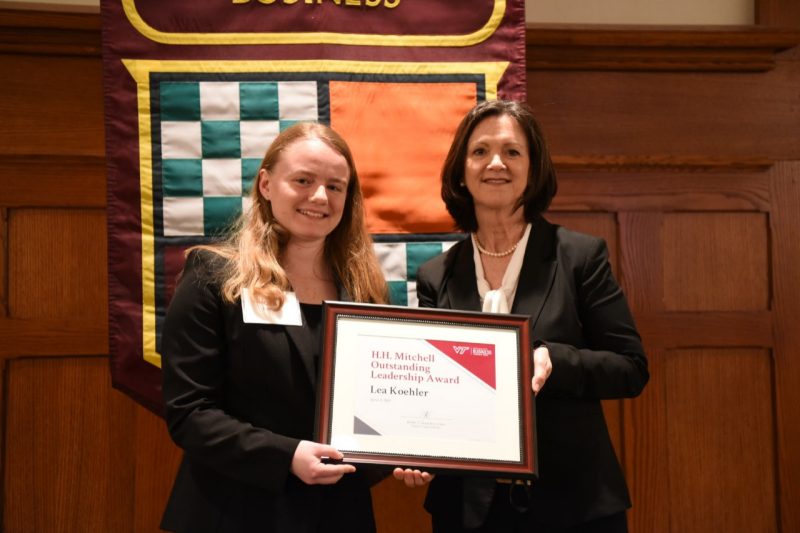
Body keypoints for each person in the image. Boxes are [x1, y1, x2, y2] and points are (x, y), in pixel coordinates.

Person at [394, 100, 649, 532]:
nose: (496, 163)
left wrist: (555, 359)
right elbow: (435, 389)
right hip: (468, 508)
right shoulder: (436, 275)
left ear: (534, 169)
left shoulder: (579, 257)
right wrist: (416, 449)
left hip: (574, 503)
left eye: (512, 152)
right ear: (461, 170)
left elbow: (631, 368)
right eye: (480, 152)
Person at [159, 123, 388, 533]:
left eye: (336, 187)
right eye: (303, 180)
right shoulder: (216, 277)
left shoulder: (364, 293)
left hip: (338, 515)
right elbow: (190, 413)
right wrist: (286, 456)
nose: (320, 197)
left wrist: (410, 454)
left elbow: (381, 408)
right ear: (266, 183)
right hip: (233, 512)